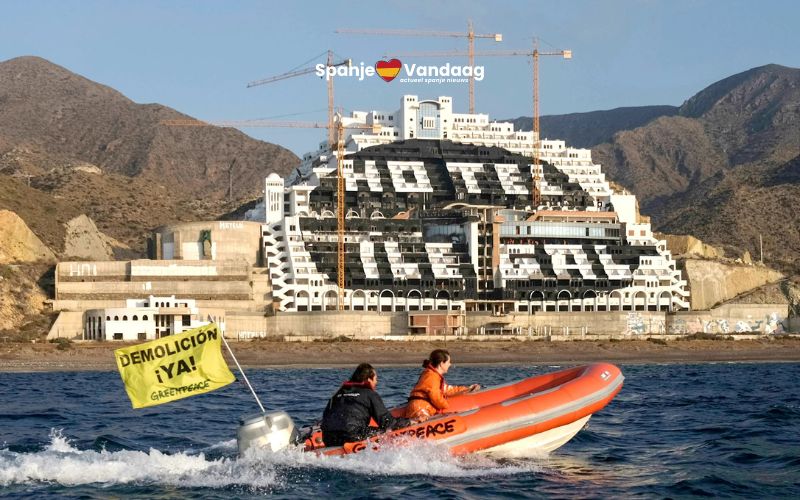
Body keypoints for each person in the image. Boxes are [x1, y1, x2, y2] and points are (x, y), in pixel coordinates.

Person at [321, 363, 411, 447]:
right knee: (384, 432)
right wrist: (408, 422)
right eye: (376, 379)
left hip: (328, 439)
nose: (376, 382)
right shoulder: (370, 394)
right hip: (352, 436)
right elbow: (387, 423)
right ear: (369, 379)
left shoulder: (337, 394)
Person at [405, 349, 480, 421]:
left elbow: (446, 389)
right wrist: (446, 405)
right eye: (448, 362)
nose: (450, 364)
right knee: (420, 423)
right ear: (441, 363)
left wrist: (467, 389)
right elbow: (435, 396)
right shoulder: (431, 376)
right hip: (420, 408)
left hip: (421, 406)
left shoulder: (433, 375)